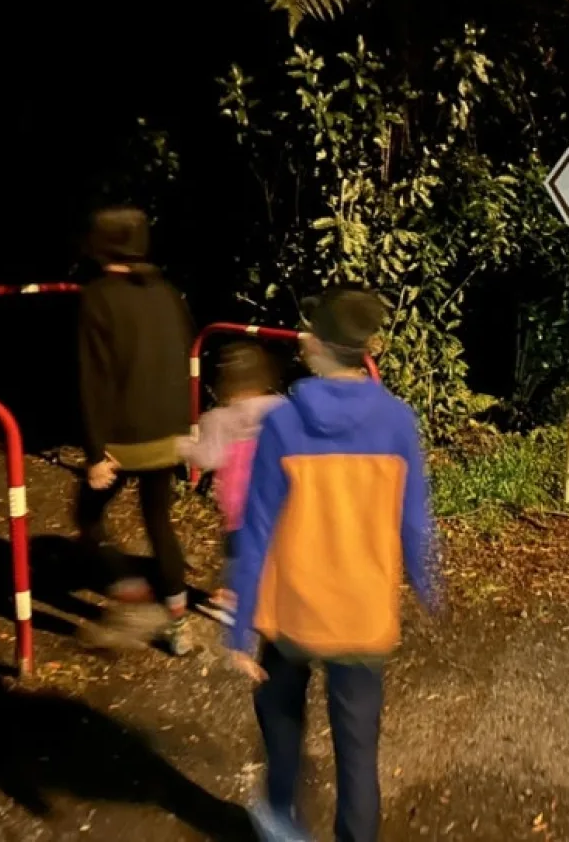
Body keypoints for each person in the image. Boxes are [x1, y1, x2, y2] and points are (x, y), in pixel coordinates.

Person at [226, 288, 439, 842]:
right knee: (358, 753)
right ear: (367, 348)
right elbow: (414, 522)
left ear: (314, 344)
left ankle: (280, 817)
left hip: (293, 609)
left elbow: (256, 530)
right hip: (362, 614)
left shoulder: (283, 423)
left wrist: (239, 623)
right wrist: (428, 587)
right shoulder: (397, 421)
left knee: (279, 714)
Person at [73, 206, 193, 656]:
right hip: (168, 433)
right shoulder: (167, 293)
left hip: (123, 440)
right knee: (159, 521)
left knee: (87, 516)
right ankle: (179, 626)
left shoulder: (97, 297)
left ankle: (132, 593)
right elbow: (185, 355)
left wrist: (95, 453)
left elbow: (93, 379)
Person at [176, 341, 284, 624]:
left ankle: (238, 603)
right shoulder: (280, 408)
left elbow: (207, 457)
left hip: (240, 508)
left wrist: (180, 445)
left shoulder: (219, 420)